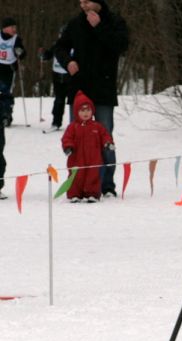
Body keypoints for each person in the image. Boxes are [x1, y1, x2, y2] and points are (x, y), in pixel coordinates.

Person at [55, 0, 129, 199]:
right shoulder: (75, 23)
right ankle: (77, 183)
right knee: (77, 137)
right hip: (79, 88)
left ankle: (106, 184)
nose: (83, 6)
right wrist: (68, 61)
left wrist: (99, 26)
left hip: (104, 87)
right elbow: (59, 47)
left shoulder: (114, 21)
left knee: (105, 137)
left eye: (87, 1)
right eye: (81, 2)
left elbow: (121, 46)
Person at [61, 90, 114, 203]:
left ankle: (92, 194)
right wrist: (68, 147)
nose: (86, 113)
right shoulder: (72, 127)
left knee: (93, 176)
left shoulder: (97, 126)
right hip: (76, 158)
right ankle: (74, 194)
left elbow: (105, 136)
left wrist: (108, 143)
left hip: (93, 158)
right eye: (82, 110)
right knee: (76, 176)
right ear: (76, 112)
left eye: (88, 110)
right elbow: (66, 138)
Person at [41, 27, 71, 132]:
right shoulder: (57, 45)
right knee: (59, 99)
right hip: (57, 74)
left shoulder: (75, 45)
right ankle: (56, 122)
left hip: (70, 76)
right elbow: (49, 54)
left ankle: (76, 122)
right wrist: (44, 55)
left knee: (73, 100)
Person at [0, 17, 26, 127]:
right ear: (5, 28)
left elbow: (22, 52)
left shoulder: (16, 39)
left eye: (15, 27)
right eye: (12, 27)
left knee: (6, 92)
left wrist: (19, 52)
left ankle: (6, 115)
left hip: (9, 69)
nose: (14, 29)